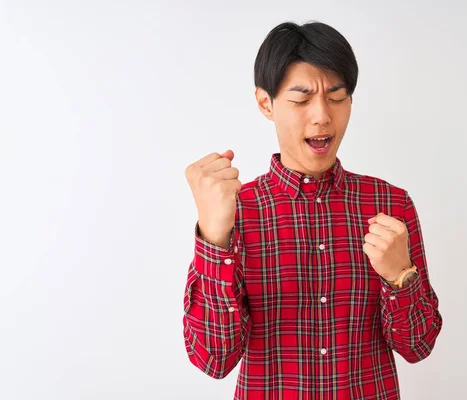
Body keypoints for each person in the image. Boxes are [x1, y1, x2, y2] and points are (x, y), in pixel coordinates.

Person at [183, 20, 443, 399]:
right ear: (265, 103)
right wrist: (214, 239)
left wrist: (400, 277)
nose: (322, 115)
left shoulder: (390, 205)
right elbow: (213, 359)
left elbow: (417, 347)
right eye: (302, 99)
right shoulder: (236, 211)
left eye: (336, 97)